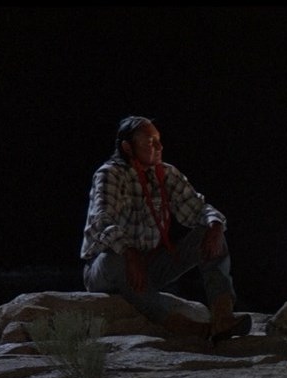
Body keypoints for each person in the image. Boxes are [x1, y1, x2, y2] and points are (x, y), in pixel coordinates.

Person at [81, 116, 250, 342]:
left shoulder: (166, 173)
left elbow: (197, 208)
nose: (160, 147)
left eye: (159, 140)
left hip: (149, 265)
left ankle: (222, 317)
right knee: (114, 258)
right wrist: (129, 252)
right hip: (108, 268)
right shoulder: (110, 173)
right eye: (150, 142)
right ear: (127, 147)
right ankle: (185, 327)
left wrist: (215, 224)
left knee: (210, 234)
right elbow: (102, 220)